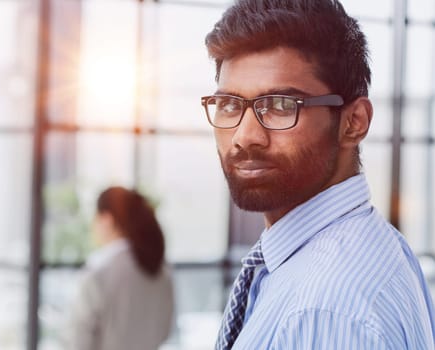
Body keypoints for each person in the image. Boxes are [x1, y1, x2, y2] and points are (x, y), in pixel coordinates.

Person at [201, 1, 435, 349]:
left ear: (353, 123)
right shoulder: (375, 246)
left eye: (281, 105)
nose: (245, 136)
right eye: (231, 105)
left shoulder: (324, 311)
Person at [64, 186, 174, 350]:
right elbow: (165, 331)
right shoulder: (162, 269)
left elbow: (78, 341)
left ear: (107, 219)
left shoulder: (100, 269)